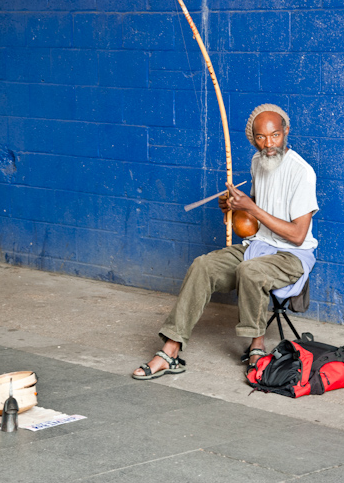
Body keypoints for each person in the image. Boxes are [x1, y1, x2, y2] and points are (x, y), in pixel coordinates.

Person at [133, 103, 319, 380]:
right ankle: (170, 350)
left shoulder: (302, 172)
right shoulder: (260, 162)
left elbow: (297, 234)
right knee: (203, 265)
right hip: (258, 246)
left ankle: (257, 347)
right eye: (261, 137)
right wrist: (235, 205)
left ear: (286, 132)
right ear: (252, 138)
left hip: (292, 256)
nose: (269, 144)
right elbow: (257, 211)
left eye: (275, 135)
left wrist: (252, 208)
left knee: (250, 270)